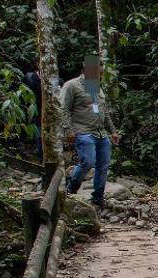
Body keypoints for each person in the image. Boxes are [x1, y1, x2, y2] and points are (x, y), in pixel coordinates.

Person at [61, 54, 119, 208]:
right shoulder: (72, 86)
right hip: (82, 130)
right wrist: (68, 131)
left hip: (101, 133)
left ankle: (98, 198)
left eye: (101, 73)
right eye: (98, 73)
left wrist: (112, 131)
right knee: (88, 161)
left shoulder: (96, 88)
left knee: (103, 165)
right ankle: (72, 186)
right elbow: (64, 109)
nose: (100, 76)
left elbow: (103, 112)